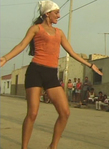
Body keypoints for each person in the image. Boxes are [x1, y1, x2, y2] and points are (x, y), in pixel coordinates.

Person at [0, 1, 103, 149]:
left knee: (65, 112)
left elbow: (72, 52)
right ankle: (24, 147)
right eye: (56, 13)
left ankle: (52, 146)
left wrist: (90, 64)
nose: (59, 16)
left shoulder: (59, 33)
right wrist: (5, 58)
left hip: (51, 74)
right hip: (35, 71)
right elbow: (22, 45)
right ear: (47, 13)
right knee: (33, 113)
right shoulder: (36, 29)